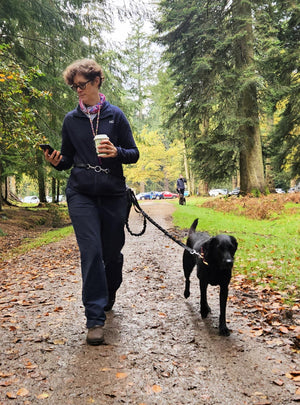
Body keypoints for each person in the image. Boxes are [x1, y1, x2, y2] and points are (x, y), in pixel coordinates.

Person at [43, 59, 139, 345]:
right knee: (91, 251)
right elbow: (69, 158)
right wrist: (58, 162)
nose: (78, 91)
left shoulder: (116, 116)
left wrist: (117, 151)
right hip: (81, 192)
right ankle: (94, 318)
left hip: (112, 193)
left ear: (97, 81)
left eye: (82, 85)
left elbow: (133, 153)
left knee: (111, 253)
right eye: (74, 88)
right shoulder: (71, 120)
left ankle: (109, 291)